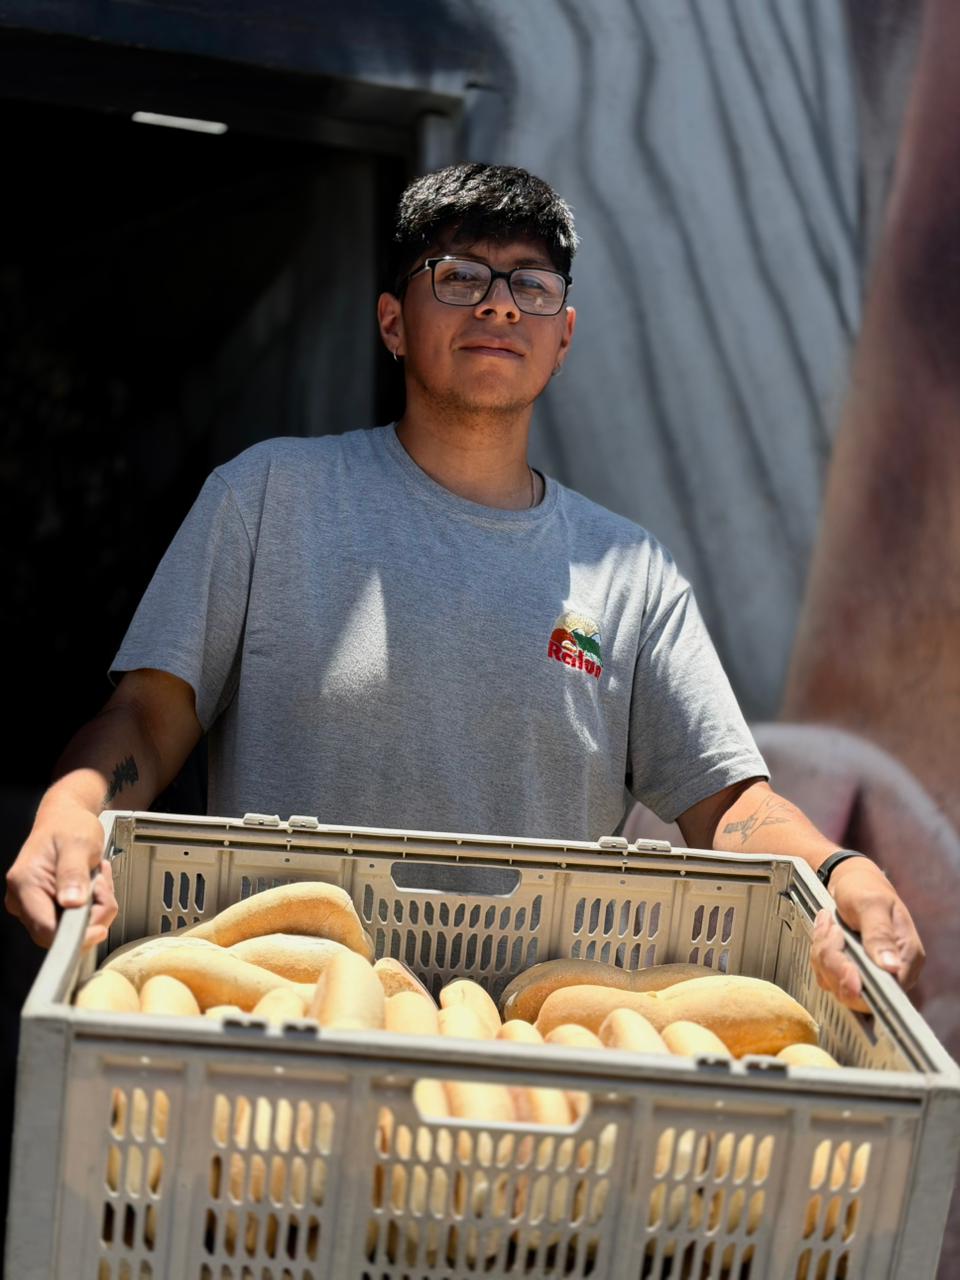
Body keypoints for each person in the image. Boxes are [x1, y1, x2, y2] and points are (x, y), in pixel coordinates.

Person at [5, 163, 922, 1011]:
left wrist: (838, 869)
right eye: (458, 276)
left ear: (563, 338)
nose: (499, 304)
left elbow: (730, 806)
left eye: (531, 284)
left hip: (525, 1048)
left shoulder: (630, 572)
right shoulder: (267, 497)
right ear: (393, 323)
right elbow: (148, 717)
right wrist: (72, 805)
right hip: (289, 1021)